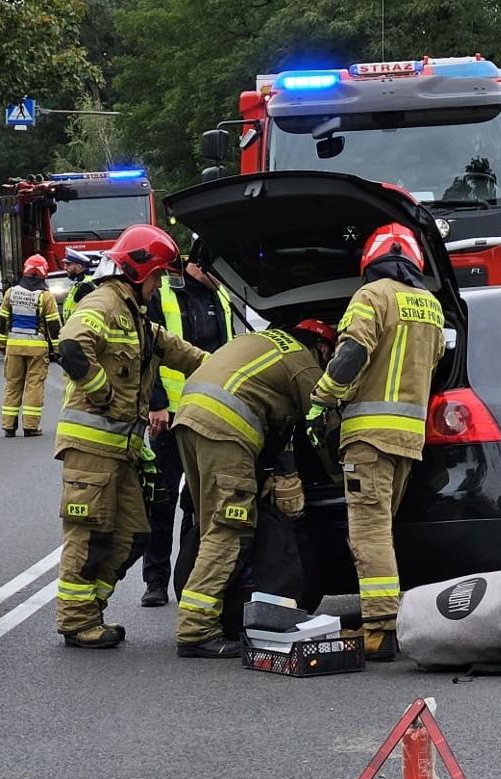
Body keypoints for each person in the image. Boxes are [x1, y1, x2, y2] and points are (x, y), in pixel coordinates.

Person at [51, 224, 207, 649]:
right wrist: (102, 392)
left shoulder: (136, 316)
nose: (159, 287)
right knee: (90, 533)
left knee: (133, 533)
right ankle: (77, 621)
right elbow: (69, 346)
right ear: (140, 270)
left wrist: (228, 371)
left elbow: (181, 352)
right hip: (92, 450)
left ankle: (90, 610)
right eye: (157, 276)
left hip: (122, 450)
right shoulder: (103, 302)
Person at [306, 223, 445, 662]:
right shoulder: (432, 307)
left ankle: (381, 629)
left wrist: (322, 398)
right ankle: (387, 618)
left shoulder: (372, 297)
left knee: (368, 534)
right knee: (383, 530)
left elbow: (351, 354)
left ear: (371, 262)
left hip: (368, 438)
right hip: (408, 439)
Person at [169, 319, 335, 657]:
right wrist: (339, 474)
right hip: (227, 427)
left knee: (209, 521)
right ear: (321, 348)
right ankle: (196, 629)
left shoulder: (263, 341)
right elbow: (321, 425)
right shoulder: (303, 361)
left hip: (188, 418)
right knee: (229, 527)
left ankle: (218, 609)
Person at [123, 253, 237, 607]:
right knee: (163, 499)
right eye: (217, 271)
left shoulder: (222, 297)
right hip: (170, 415)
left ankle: (189, 578)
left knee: (201, 500)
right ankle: (155, 580)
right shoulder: (164, 295)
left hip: (212, 412)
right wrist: (156, 403)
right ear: (198, 265)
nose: (222, 278)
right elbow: (148, 351)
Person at [0, 254, 61, 437]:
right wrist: (57, 349)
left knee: (12, 385)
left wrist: (2, 344)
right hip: (37, 348)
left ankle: (8, 426)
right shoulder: (46, 297)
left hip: (14, 346)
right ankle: (30, 426)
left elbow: (2, 322)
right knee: (34, 385)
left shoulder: (11, 293)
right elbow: (54, 326)